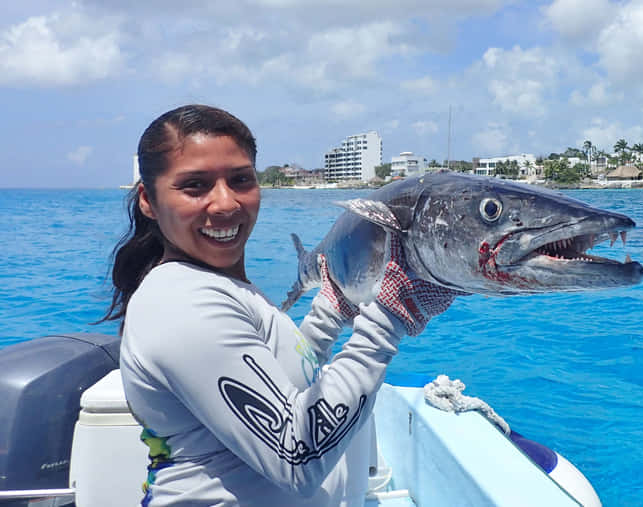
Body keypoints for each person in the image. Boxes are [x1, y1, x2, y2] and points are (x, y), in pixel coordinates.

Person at [100, 104, 459, 506]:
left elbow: (281, 375)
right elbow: (297, 457)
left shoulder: (216, 284)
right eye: (195, 186)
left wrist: (329, 315)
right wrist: (389, 319)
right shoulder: (179, 303)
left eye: (240, 180)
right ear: (148, 200)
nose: (225, 203)